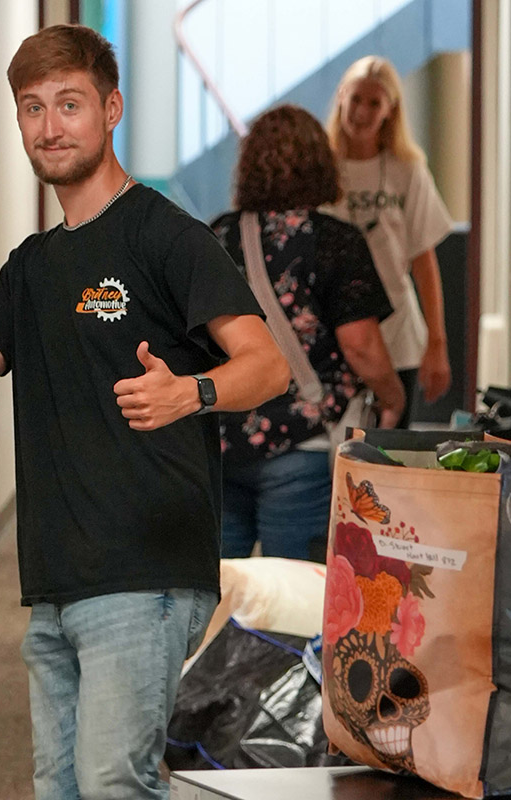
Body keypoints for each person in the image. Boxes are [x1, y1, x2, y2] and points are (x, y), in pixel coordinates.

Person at [0, 24, 289, 800]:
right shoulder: (32, 265)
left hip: (145, 570)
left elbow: (268, 365)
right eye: (32, 108)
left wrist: (191, 391)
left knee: (113, 782)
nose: (50, 127)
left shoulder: (168, 238)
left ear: (111, 109)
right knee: (59, 785)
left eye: (70, 104)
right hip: (55, 578)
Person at [211, 105, 405, 562]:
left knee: (218, 592)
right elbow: (360, 346)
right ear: (321, 164)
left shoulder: (217, 236)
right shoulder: (334, 240)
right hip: (302, 445)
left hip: (220, 440)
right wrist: (394, 397)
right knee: (295, 598)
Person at [324, 55, 455, 428]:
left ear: (390, 110)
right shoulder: (321, 169)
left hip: (398, 333)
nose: (362, 112)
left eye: (374, 103)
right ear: (341, 97)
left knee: (389, 452)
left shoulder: (407, 169)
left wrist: (436, 343)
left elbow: (423, 258)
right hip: (336, 334)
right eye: (356, 99)